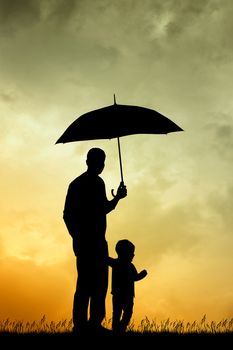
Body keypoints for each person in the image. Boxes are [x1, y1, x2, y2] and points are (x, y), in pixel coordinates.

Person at [63, 147, 127, 334]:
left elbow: (102, 208)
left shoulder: (93, 183)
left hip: (97, 241)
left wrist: (117, 199)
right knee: (87, 284)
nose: (102, 165)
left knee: (98, 284)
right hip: (88, 242)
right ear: (89, 162)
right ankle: (83, 325)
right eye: (100, 161)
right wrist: (78, 236)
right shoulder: (82, 184)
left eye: (103, 161)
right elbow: (68, 215)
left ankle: (93, 324)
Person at [108, 239, 147, 333]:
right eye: (131, 253)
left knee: (120, 312)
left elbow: (105, 259)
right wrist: (143, 274)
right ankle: (119, 328)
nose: (133, 255)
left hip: (121, 294)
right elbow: (135, 277)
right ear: (125, 253)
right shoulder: (128, 266)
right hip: (125, 295)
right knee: (124, 312)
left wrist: (141, 274)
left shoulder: (116, 263)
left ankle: (119, 327)